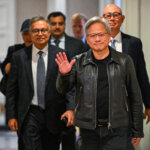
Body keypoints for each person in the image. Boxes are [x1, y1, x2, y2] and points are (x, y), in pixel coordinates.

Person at [55, 16, 144, 150]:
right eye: (92, 35)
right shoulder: (78, 62)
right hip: (88, 129)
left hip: (117, 128)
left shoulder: (125, 61)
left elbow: (135, 96)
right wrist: (64, 74)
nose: (97, 39)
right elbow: (62, 89)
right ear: (87, 38)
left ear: (109, 36)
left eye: (101, 35)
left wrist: (137, 130)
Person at [6, 16, 74, 150]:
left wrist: (70, 109)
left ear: (49, 32)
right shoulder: (19, 57)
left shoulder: (61, 54)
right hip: (29, 113)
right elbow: (11, 89)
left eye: (43, 30)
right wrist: (11, 116)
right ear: (30, 34)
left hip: (54, 114)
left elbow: (69, 86)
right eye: (36, 31)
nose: (40, 34)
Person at [102, 4, 150, 124]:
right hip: (102, 104)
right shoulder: (94, 43)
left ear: (122, 19)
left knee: (127, 141)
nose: (112, 18)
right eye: (108, 16)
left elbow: (141, 75)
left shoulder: (133, 43)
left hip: (127, 105)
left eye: (116, 15)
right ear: (102, 19)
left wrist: (148, 105)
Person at [47, 11, 85, 150]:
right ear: (49, 25)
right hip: (49, 104)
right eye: (53, 23)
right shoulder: (43, 45)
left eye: (60, 23)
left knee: (70, 144)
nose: (57, 26)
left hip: (72, 101)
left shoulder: (77, 45)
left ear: (64, 25)